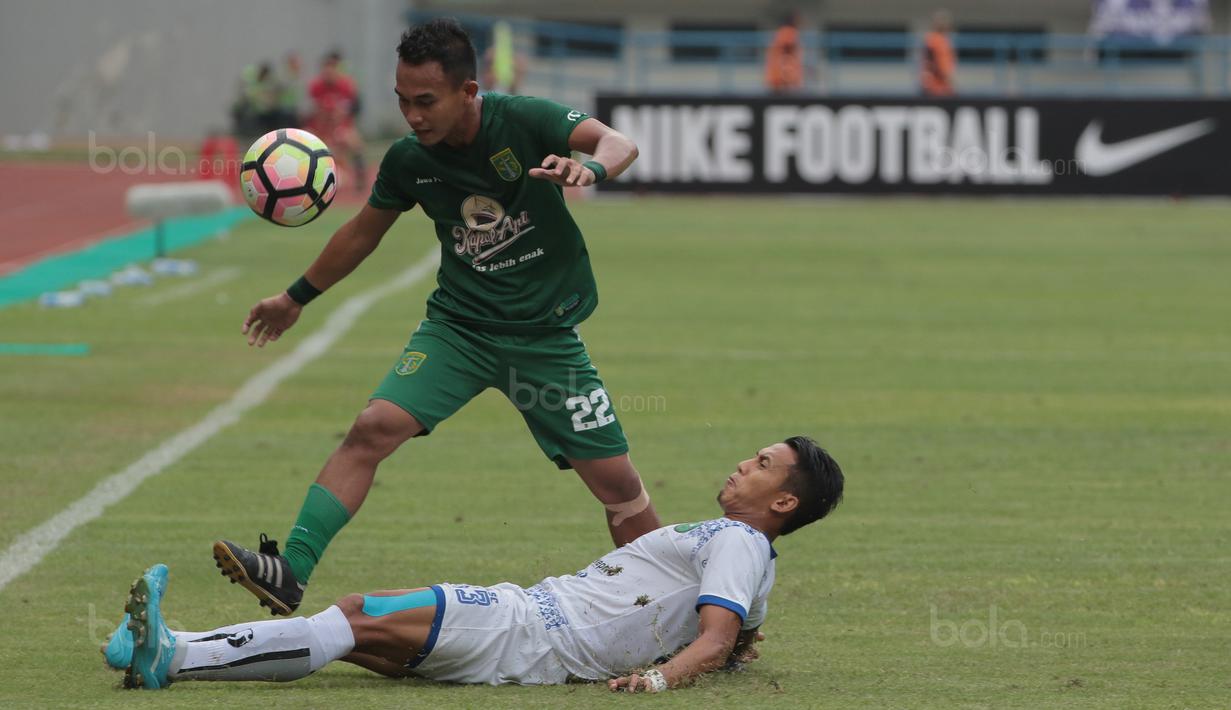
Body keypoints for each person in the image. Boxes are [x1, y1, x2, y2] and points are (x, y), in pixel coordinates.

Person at [214, 18, 659, 619]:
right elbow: (361, 235)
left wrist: (593, 169)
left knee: (619, 490)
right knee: (371, 428)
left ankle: (679, 610)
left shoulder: (524, 119)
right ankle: (291, 569)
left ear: (468, 92)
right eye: (402, 101)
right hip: (459, 329)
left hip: (545, 339)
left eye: (425, 101)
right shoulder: (406, 162)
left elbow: (619, 143)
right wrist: (294, 298)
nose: (412, 115)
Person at [112, 437, 844, 691]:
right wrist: (734, 650)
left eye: (762, 465)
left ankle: (170, 656)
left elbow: (716, 639)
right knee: (355, 630)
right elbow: (738, 634)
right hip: (531, 635)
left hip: (527, 627)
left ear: (782, 502)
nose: (742, 465)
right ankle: (170, 650)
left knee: (358, 613)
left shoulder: (741, 542)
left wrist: (658, 678)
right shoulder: (750, 557)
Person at [307, 50, 367, 190]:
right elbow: (315, 113)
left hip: (342, 127)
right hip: (320, 129)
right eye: (326, 70)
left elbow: (347, 113)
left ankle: (360, 179)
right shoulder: (316, 87)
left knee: (355, 143)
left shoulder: (346, 85)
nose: (329, 73)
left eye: (332, 70)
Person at [765, 12, 804, 94]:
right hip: (783, 82)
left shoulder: (781, 32)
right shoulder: (788, 32)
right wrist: (788, 78)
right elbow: (787, 54)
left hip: (780, 80)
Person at [921, 10, 956, 97]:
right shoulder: (935, 41)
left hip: (936, 86)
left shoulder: (939, 40)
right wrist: (948, 80)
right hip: (937, 88)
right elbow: (938, 65)